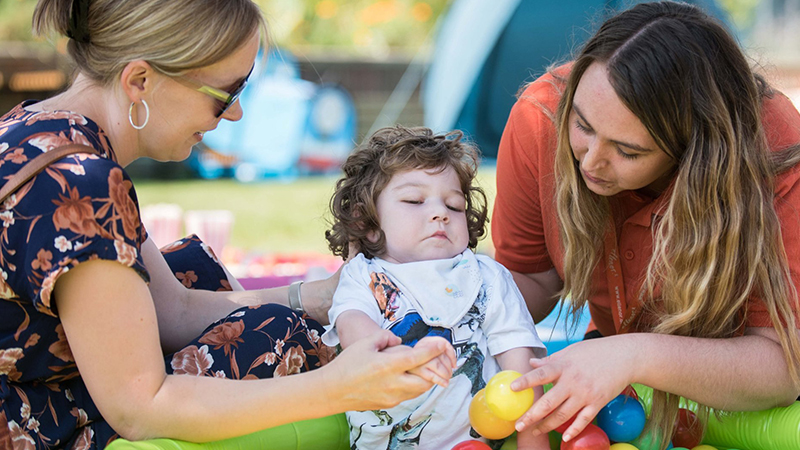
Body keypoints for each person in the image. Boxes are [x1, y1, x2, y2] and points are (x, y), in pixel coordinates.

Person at [0, 1, 454, 448]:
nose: (235, 113)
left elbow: (172, 309)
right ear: (140, 80)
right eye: (226, 94)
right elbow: (139, 406)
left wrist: (314, 297)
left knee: (200, 270)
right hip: (34, 424)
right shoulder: (80, 182)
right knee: (275, 337)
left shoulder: (36, 130)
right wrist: (338, 386)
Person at [491, 1, 800, 446]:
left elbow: (783, 365)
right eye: (582, 125)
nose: (590, 162)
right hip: (624, 401)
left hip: (738, 403)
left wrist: (633, 354)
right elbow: (531, 277)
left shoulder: (770, 145)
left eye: (628, 151)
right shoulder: (541, 116)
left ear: (694, 151)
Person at [323, 125, 549, 449]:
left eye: (454, 206)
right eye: (415, 200)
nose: (440, 213)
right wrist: (395, 355)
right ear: (369, 225)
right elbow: (351, 324)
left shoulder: (485, 277)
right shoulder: (364, 275)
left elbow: (519, 359)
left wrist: (533, 439)